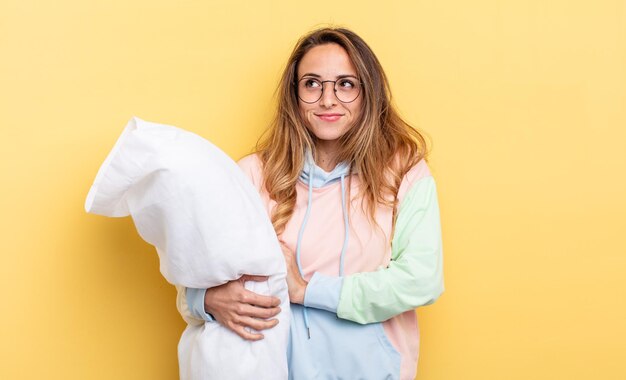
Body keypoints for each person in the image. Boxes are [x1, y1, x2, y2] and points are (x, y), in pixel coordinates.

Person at [177, 27, 444, 379]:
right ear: (295, 94)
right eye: (312, 84)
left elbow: (421, 280)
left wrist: (305, 290)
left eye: (345, 84)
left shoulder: (404, 172)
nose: (328, 100)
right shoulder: (252, 174)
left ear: (368, 93)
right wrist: (206, 301)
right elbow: (193, 281)